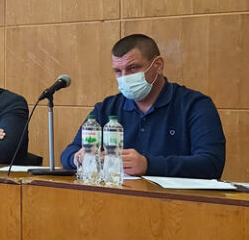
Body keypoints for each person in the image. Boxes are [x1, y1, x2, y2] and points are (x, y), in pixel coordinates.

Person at [60, 34, 226, 178]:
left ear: (158, 65)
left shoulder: (195, 105)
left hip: (177, 201)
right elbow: (68, 153)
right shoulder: (107, 108)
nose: (124, 77)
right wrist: (78, 158)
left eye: (133, 68)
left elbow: (212, 163)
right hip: (116, 197)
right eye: (118, 71)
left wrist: (148, 165)